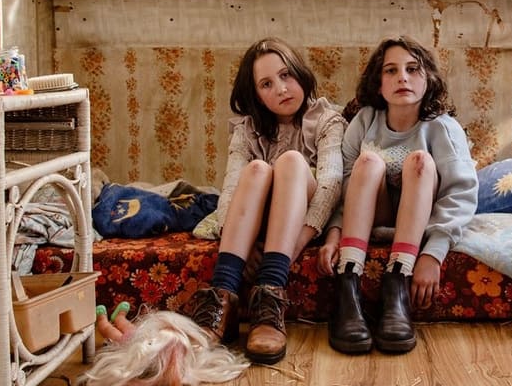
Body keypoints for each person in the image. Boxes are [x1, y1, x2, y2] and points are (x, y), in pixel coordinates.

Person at [185, 38, 346, 364]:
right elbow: (230, 189)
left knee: (291, 161)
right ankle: (223, 296)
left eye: (286, 75)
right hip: (257, 222)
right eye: (267, 84)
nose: (281, 89)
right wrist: (239, 243)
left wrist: (294, 246)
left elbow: (331, 185)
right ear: (256, 94)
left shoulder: (326, 120)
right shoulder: (247, 130)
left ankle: (270, 294)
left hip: (302, 220)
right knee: (257, 169)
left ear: (300, 73)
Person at [319, 36, 478, 354]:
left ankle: (397, 283)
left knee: (420, 160)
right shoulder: (364, 121)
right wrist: (334, 232)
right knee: (367, 161)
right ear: (378, 84)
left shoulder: (442, 128)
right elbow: (341, 187)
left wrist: (433, 254)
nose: (402, 77)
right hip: (372, 214)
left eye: (412, 69)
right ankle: (348, 283)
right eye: (391, 70)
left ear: (428, 78)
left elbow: (460, 192)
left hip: (418, 218)